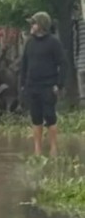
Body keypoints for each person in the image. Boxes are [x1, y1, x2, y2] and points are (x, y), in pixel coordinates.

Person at [20, 11, 66, 157]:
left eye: (33, 23)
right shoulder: (29, 42)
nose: (31, 26)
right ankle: (37, 150)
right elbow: (24, 65)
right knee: (36, 118)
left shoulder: (53, 42)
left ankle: (53, 149)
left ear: (40, 25)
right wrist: (22, 84)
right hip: (32, 86)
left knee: (50, 117)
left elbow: (63, 64)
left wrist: (59, 84)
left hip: (48, 86)